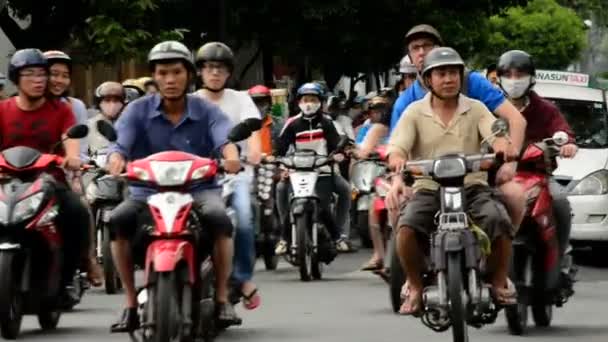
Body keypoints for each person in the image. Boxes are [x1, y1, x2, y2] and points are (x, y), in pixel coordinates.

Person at [106, 41, 242, 332]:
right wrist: (116, 159)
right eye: (163, 72)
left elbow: (224, 141)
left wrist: (231, 158)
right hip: (147, 192)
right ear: (154, 76)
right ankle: (130, 303)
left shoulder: (206, 110)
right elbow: (120, 145)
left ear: (189, 75)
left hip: (198, 190)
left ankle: (221, 299)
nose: (170, 80)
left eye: (177, 72)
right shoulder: (137, 111)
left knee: (221, 219)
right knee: (116, 220)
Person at [358, 24, 527, 240]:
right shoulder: (407, 102)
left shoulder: (473, 85)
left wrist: (509, 163)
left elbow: (515, 120)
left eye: (427, 45)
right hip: (425, 179)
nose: (421, 52)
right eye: (415, 48)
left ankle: (501, 262)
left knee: (512, 197)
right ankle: (406, 269)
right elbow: (398, 147)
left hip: (478, 173)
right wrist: (398, 181)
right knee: (397, 208)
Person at [388, 47, 516, 315]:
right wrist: (398, 158)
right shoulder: (413, 112)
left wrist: (504, 146)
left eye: (454, 73)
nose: (449, 79)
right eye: (442, 74)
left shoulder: (477, 108)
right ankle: (414, 286)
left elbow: (496, 136)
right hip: (429, 188)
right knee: (406, 227)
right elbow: (398, 147)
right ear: (428, 79)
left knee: (498, 220)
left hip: (473, 186)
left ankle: (499, 280)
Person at [0, 48, 90, 303]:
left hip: (50, 182)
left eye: (42, 74)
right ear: (16, 78)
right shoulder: (3, 109)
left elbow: (70, 141)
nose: (38, 80)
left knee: (77, 213)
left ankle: (70, 275)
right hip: (7, 182)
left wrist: (71, 158)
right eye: (30, 74)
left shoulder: (61, 111)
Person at [496, 50, 577, 278]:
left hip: (539, 176)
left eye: (519, 74)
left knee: (561, 204)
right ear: (499, 78)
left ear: (531, 77)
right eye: (508, 74)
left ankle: (560, 260)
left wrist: (567, 144)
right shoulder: (491, 108)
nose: (513, 80)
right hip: (500, 177)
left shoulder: (546, 109)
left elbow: (564, 132)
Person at [194, 41, 262, 311]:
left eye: (220, 69)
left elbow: (254, 130)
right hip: (196, 174)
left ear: (228, 73)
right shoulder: (191, 102)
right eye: (209, 68)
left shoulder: (241, 99)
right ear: (200, 72)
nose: (214, 74)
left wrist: (254, 152)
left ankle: (243, 278)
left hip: (236, 173)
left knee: (243, 219)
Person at [43, 49, 103, 287]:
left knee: (81, 205)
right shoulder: (13, 106)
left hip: (61, 173)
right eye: (52, 74)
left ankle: (88, 259)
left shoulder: (71, 107)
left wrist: (75, 165)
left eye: (64, 75)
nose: (58, 80)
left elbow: (77, 143)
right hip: (18, 173)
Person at [274, 82, 353, 254]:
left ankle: (339, 236)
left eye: (313, 99)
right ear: (299, 102)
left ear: (320, 102)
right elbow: (280, 148)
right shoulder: (292, 124)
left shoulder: (326, 122)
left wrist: (338, 154)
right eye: (305, 99)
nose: (309, 103)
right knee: (286, 196)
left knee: (340, 193)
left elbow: (335, 144)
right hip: (296, 171)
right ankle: (284, 239)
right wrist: (280, 165)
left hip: (322, 171)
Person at [87, 81, 126, 153]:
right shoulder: (88, 125)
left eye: (116, 100)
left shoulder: (128, 124)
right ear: (99, 103)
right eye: (107, 100)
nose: (112, 104)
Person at [248, 85, 284, 155]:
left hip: (273, 163)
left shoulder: (279, 125)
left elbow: (285, 149)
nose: (258, 108)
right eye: (255, 104)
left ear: (269, 105)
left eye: (262, 104)